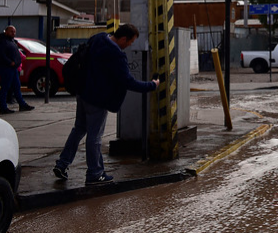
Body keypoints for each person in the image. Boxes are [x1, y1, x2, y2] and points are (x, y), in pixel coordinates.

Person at [52, 24, 159, 185]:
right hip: (98, 99)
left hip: (82, 93)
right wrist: (152, 85)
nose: (129, 45)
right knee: (95, 137)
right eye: (130, 42)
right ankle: (95, 173)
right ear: (124, 38)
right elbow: (128, 82)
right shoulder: (116, 55)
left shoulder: (98, 38)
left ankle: (62, 164)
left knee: (79, 129)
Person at [0, 26, 34, 114]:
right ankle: (2, 107)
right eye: (11, 31)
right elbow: (1, 54)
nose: (13, 33)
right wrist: (9, 62)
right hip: (7, 68)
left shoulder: (12, 41)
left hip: (14, 68)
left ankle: (22, 104)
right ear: (6, 31)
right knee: (5, 87)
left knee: (17, 87)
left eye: (14, 32)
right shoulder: (3, 41)